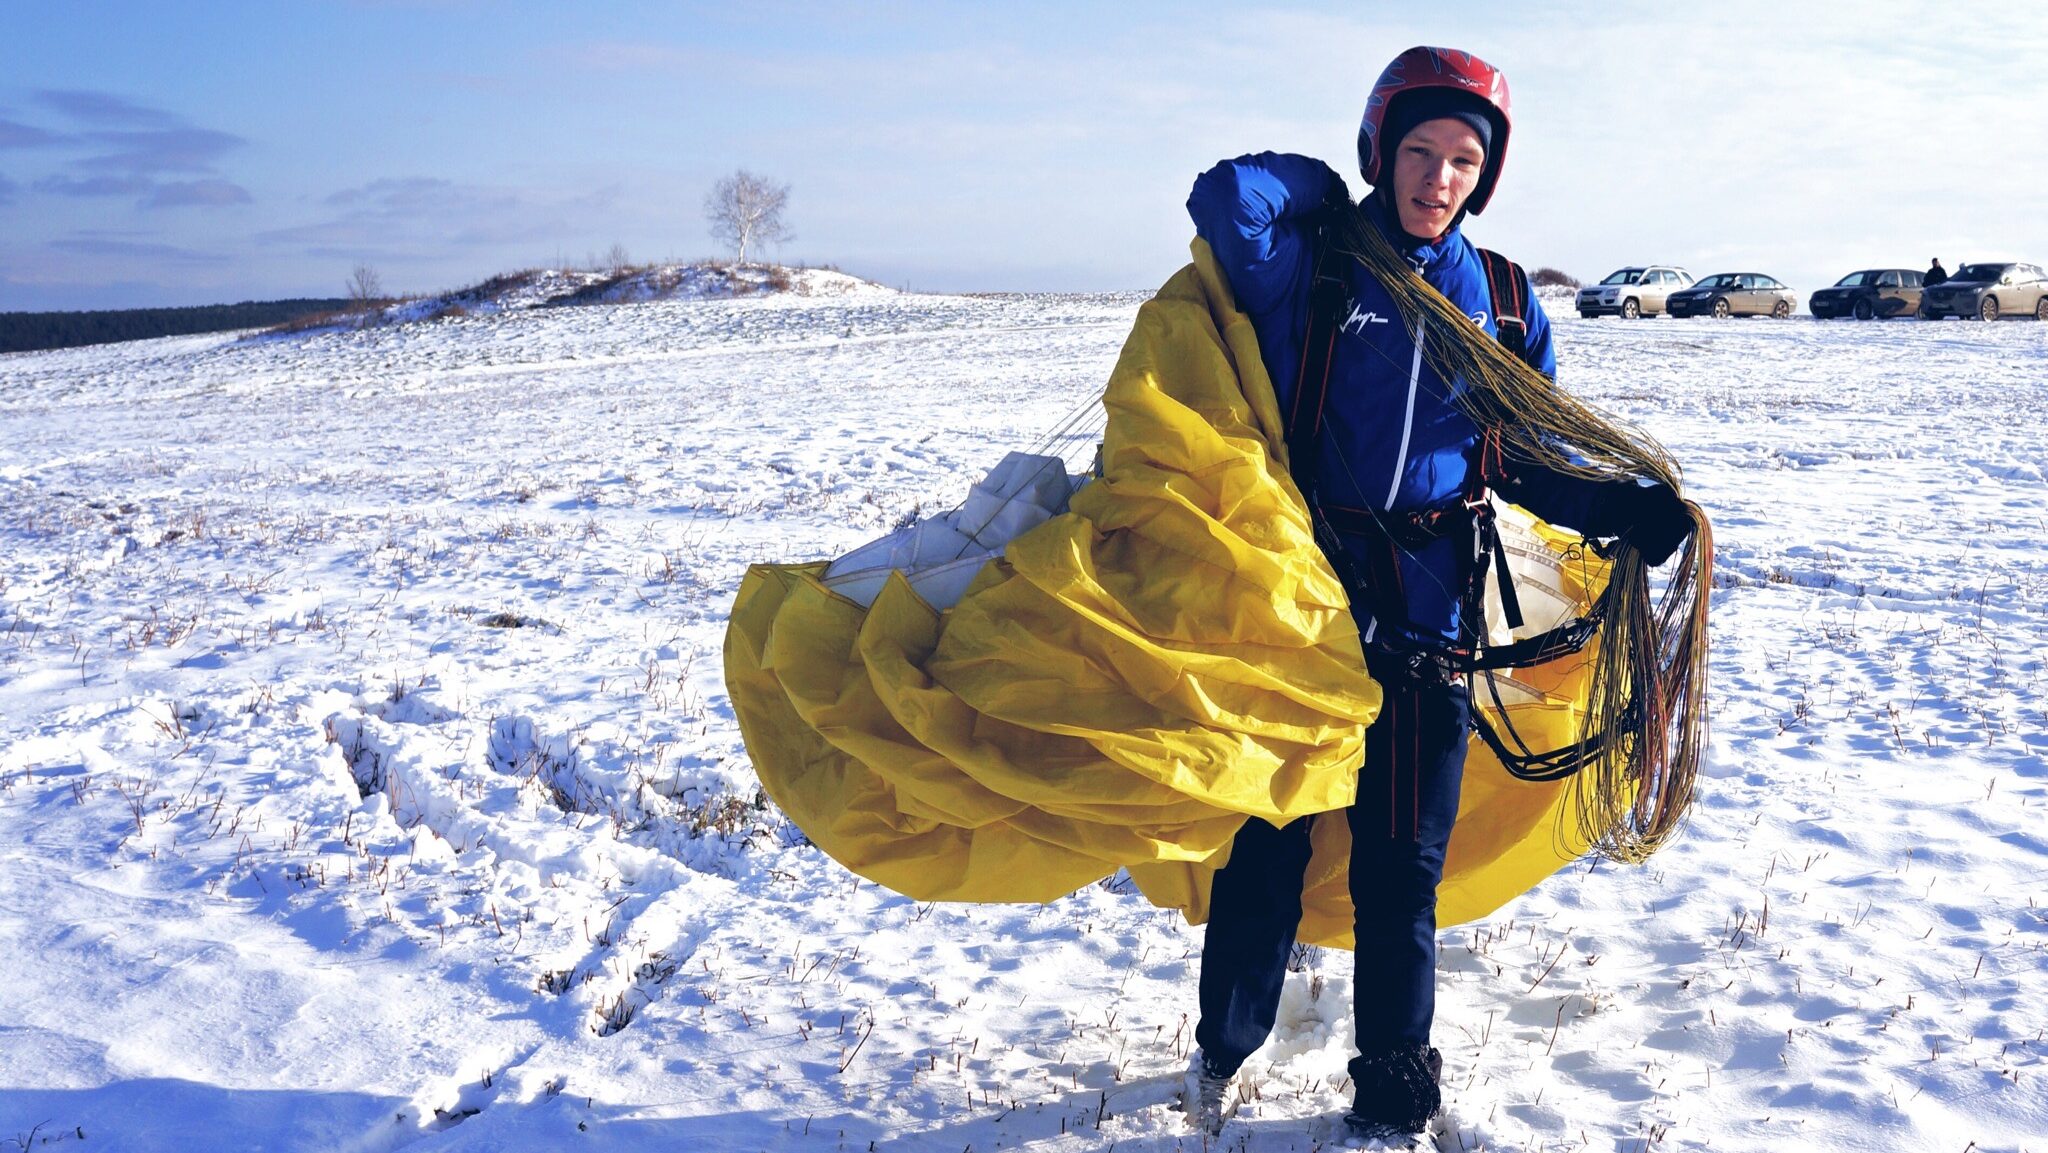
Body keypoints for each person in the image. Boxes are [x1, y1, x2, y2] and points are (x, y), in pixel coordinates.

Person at [1180, 46, 1691, 1141]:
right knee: (1270, 841)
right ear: (1381, 148)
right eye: (1417, 150)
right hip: (1303, 605)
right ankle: (1221, 1044)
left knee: (1398, 870)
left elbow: (1524, 454)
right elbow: (1225, 198)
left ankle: (1394, 1089)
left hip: (1430, 616)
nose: (1439, 177)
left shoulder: (1503, 302)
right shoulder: (1316, 264)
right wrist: (1331, 186)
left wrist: (1622, 508)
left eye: (1464, 159)